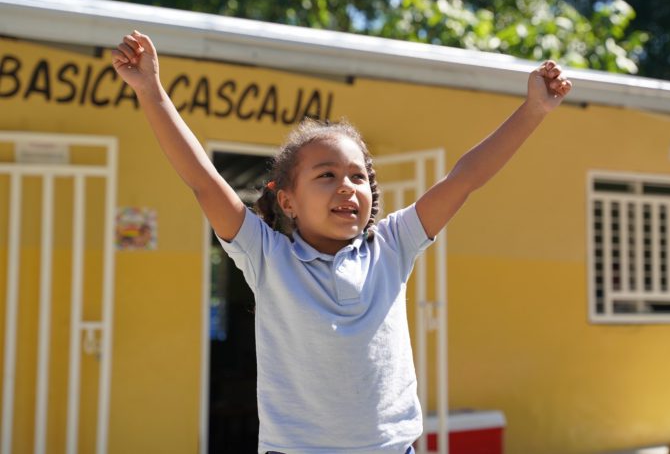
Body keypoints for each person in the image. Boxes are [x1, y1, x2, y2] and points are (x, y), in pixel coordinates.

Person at [112, 30, 571, 454]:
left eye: (358, 176)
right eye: (326, 175)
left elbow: (465, 178)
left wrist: (533, 111)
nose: (347, 186)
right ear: (287, 202)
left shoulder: (392, 246)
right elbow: (204, 181)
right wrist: (150, 90)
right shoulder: (268, 257)